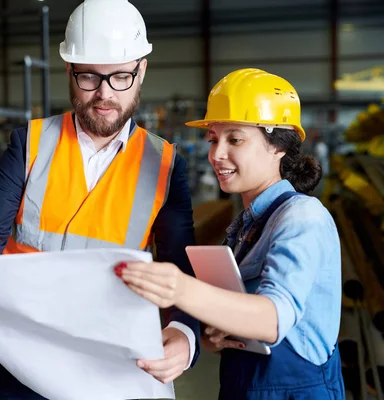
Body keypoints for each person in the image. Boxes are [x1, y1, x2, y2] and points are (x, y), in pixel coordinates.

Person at [0, 0, 201, 398]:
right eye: (89, 77)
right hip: (19, 367)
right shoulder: (30, 145)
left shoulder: (165, 164)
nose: (104, 95)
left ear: (142, 70)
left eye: (121, 77)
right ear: (69, 72)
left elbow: (181, 267)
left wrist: (183, 335)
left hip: (113, 367)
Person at [117, 68, 345, 399]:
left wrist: (180, 288)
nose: (216, 154)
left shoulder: (302, 217)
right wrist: (212, 336)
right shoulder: (245, 227)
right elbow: (231, 329)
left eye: (234, 139)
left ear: (277, 146)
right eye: (213, 139)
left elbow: (272, 320)